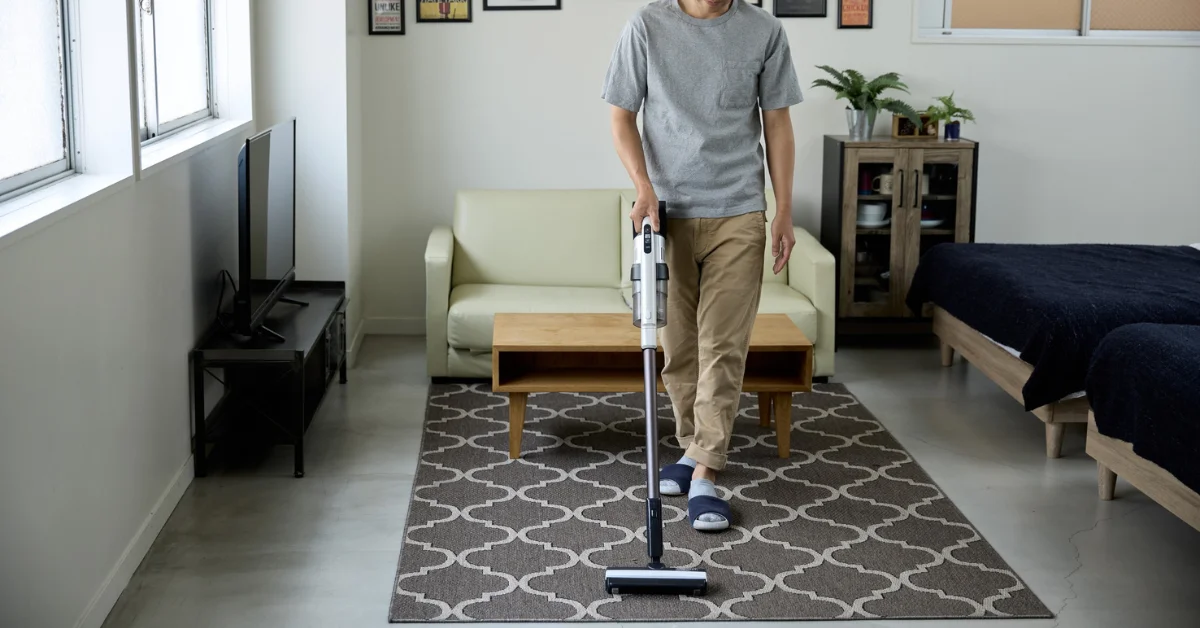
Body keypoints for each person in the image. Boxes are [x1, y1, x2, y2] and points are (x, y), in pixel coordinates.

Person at [602, 0, 802, 532]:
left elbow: (777, 122)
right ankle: (692, 450)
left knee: (723, 346)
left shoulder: (763, 30)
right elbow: (622, 116)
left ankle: (707, 474)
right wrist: (644, 188)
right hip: (667, 215)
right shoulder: (647, 26)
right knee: (678, 349)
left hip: (739, 209)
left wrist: (783, 210)